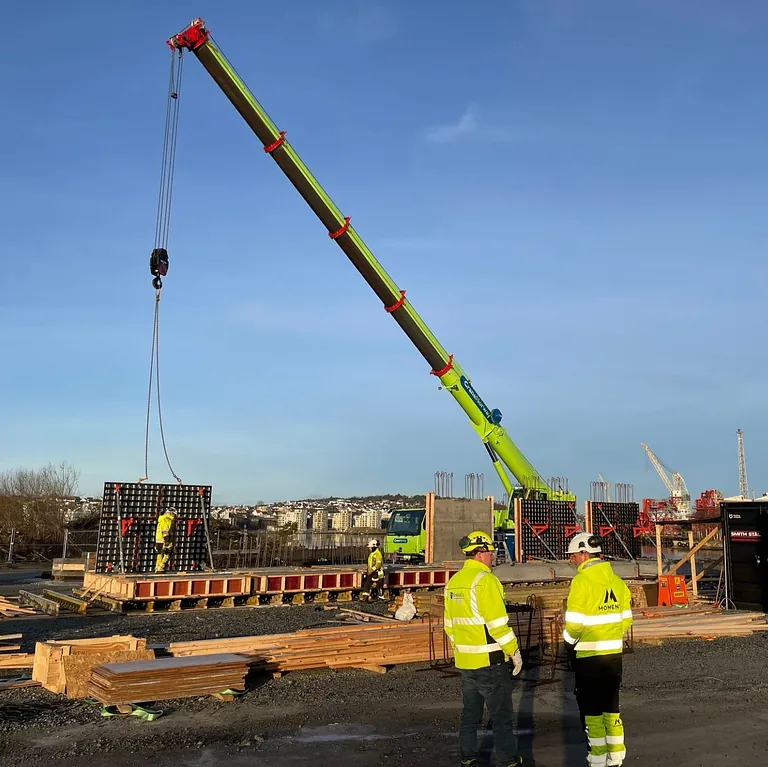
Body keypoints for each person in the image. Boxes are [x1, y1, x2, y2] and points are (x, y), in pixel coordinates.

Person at [444, 530, 524, 767]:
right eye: (490, 552)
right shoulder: (485, 581)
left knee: (470, 716)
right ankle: (509, 761)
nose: (493, 556)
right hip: (491, 662)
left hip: (466, 663)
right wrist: (514, 652)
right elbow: (498, 624)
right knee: (502, 718)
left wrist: (461, 649)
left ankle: (468, 759)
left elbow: (449, 625)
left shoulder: (453, 582)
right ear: (479, 554)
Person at [563, 532, 633, 767]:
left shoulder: (581, 582)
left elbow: (574, 623)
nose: (572, 560)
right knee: (611, 709)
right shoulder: (617, 582)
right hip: (613, 656)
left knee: (592, 713)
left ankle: (597, 760)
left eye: (573, 556)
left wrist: (569, 641)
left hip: (588, 657)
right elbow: (626, 620)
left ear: (584, 554)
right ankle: (616, 758)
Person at [154, 506, 177, 572]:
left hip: (158, 540)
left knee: (159, 554)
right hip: (164, 539)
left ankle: (158, 568)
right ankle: (161, 566)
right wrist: (167, 541)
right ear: (171, 513)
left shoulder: (161, 519)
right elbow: (165, 530)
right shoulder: (167, 519)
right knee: (168, 553)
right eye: (174, 514)